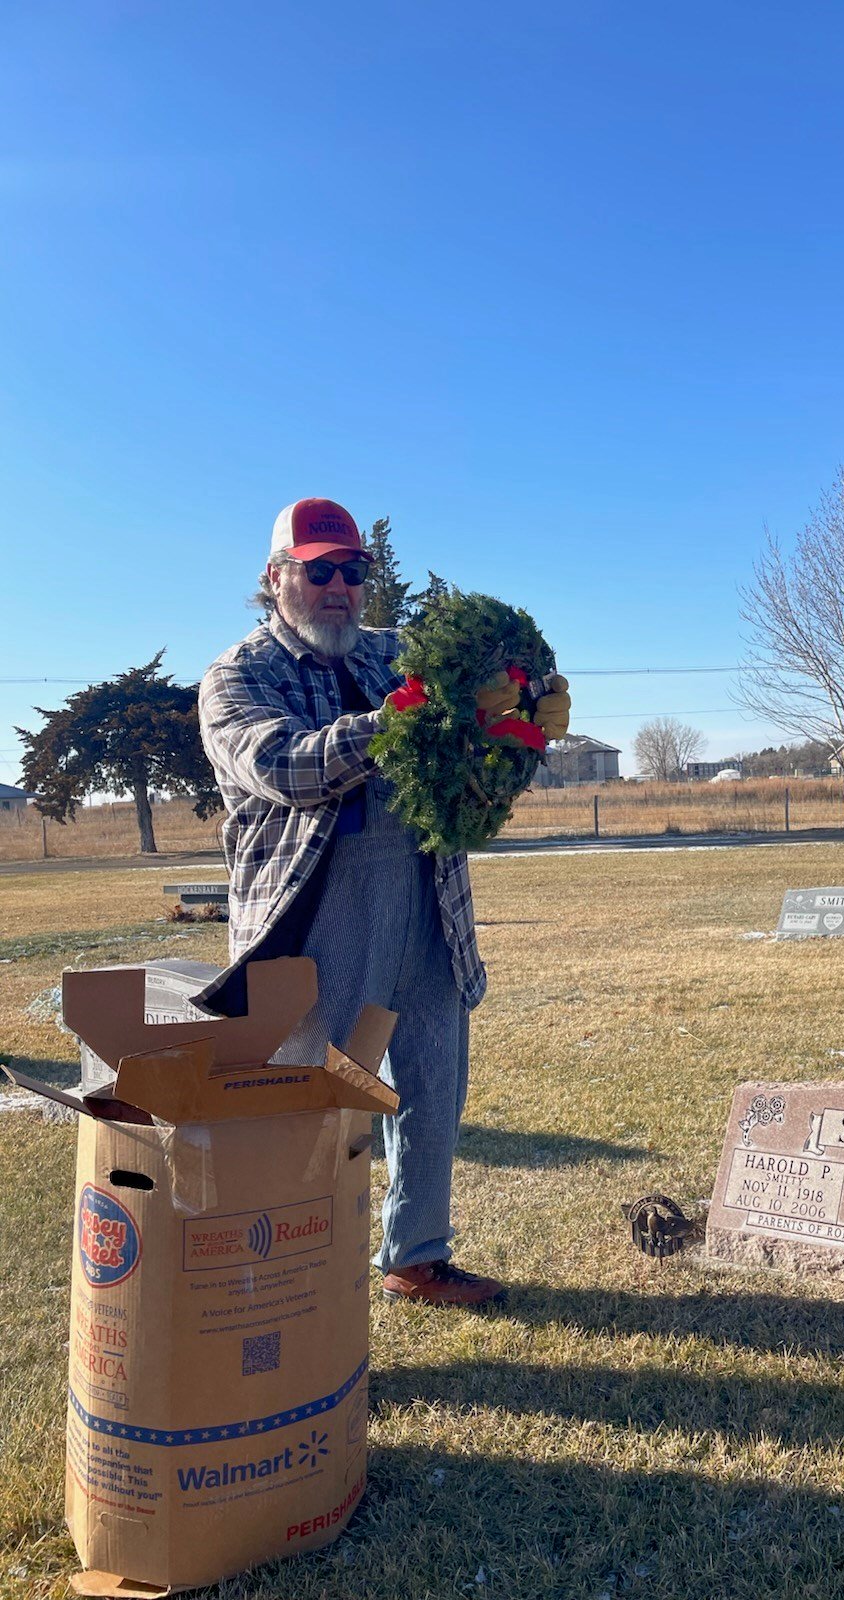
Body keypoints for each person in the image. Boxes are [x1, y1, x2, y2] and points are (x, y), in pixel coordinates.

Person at [196, 498, 569, 1306]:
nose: (339, 586)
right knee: (310, 1104)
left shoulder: (399, 654)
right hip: (316, 910)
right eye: (318, 569)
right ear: (275, 578)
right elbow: (285, 768)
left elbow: (477, 718)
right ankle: (294, 1278)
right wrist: (400, 719)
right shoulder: (238, 674)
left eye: (353, 570)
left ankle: (416, 1256)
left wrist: (521, 712)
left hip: (427, 893)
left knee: (433, 1082)